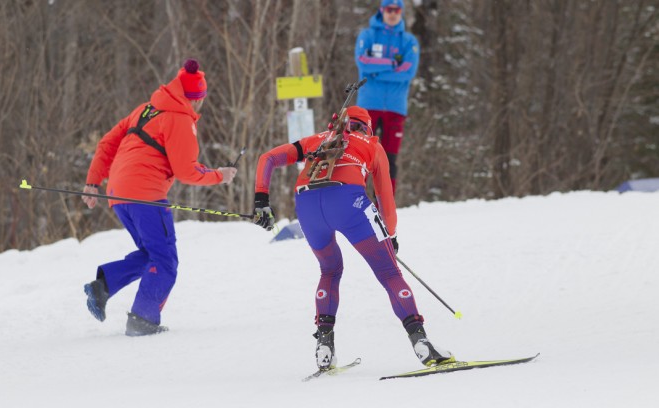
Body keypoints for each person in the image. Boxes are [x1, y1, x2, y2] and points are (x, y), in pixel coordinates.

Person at [252, 105, 453, 370]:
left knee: (330, 270)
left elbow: (268, 158)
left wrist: (261, 199)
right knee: (389, 272)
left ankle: (324, 345)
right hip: (348, 202)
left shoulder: (316, 140)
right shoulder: (371, 144)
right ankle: (421, 342)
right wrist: (389, 235)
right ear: (366, 127)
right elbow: (385, 198)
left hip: (307, 204)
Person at [81, 59, 237, 336]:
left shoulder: (145, 109)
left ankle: (104, 285)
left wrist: (93, 182)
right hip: (146, 196)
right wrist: (219, 175)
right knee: (165, 261)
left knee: (152, 254)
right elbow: (186, 171)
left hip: (118, 194)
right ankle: (143, 320)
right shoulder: (180, 119)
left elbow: (107, 143)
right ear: (196, 98)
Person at [355, 0, 419, 195]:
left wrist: (378, 71)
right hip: (368, 106)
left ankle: (385, 205)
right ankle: (357, 199)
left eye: (396, 10)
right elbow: (363, 63)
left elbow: (407, 72)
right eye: (389, 9)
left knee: (389, 159)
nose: (392, 14)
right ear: (382, 11)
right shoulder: (367, 35)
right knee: (362, 156)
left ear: (401, 12)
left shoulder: (409, 41)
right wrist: (392, 63)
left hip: (395, 108)